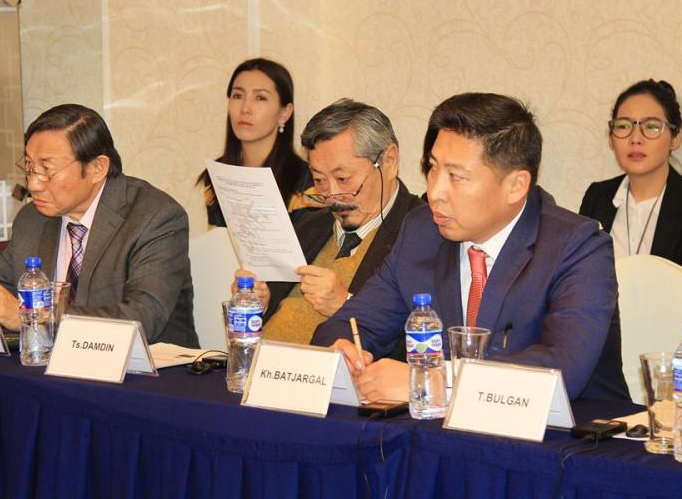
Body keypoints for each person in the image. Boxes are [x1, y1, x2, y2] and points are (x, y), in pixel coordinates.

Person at [312, 92, 630, 402]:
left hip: (569, 432)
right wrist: (342, 351)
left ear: (516, 186)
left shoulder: (577, 247)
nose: (434, 191)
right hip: (440, 430)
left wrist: (430, 380)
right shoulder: (422, 231)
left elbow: (561, 370)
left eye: (456, 176)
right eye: (432, 168)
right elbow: (350, 323)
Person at [0, 104, 198, 347]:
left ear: (97, 168)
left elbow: (144, 316)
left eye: (47, 169)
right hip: (55, 364)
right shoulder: (33, 219)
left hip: (150, 369)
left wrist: (36, 316)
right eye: (30, 167)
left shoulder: (155, 218)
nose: (33, 184)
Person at [234, 99, 422, 344]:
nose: (331, 195)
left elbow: (425, 339)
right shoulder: (308, 225)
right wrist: (259, 304)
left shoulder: (421, 233)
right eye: (319, 180)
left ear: (389, 161)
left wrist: (346, 305)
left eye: (343, 179)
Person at [579, 79, 682, 267]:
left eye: (651, 126)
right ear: (611, 139)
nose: (635, 138)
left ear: (675, 138)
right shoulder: (596, 197)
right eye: (623, 126)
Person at [196, 58, 316, 227]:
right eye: (238, 96)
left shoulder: (307, 182)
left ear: (285, 112)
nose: (245, 108)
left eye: (260, 98)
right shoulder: (217, 175)